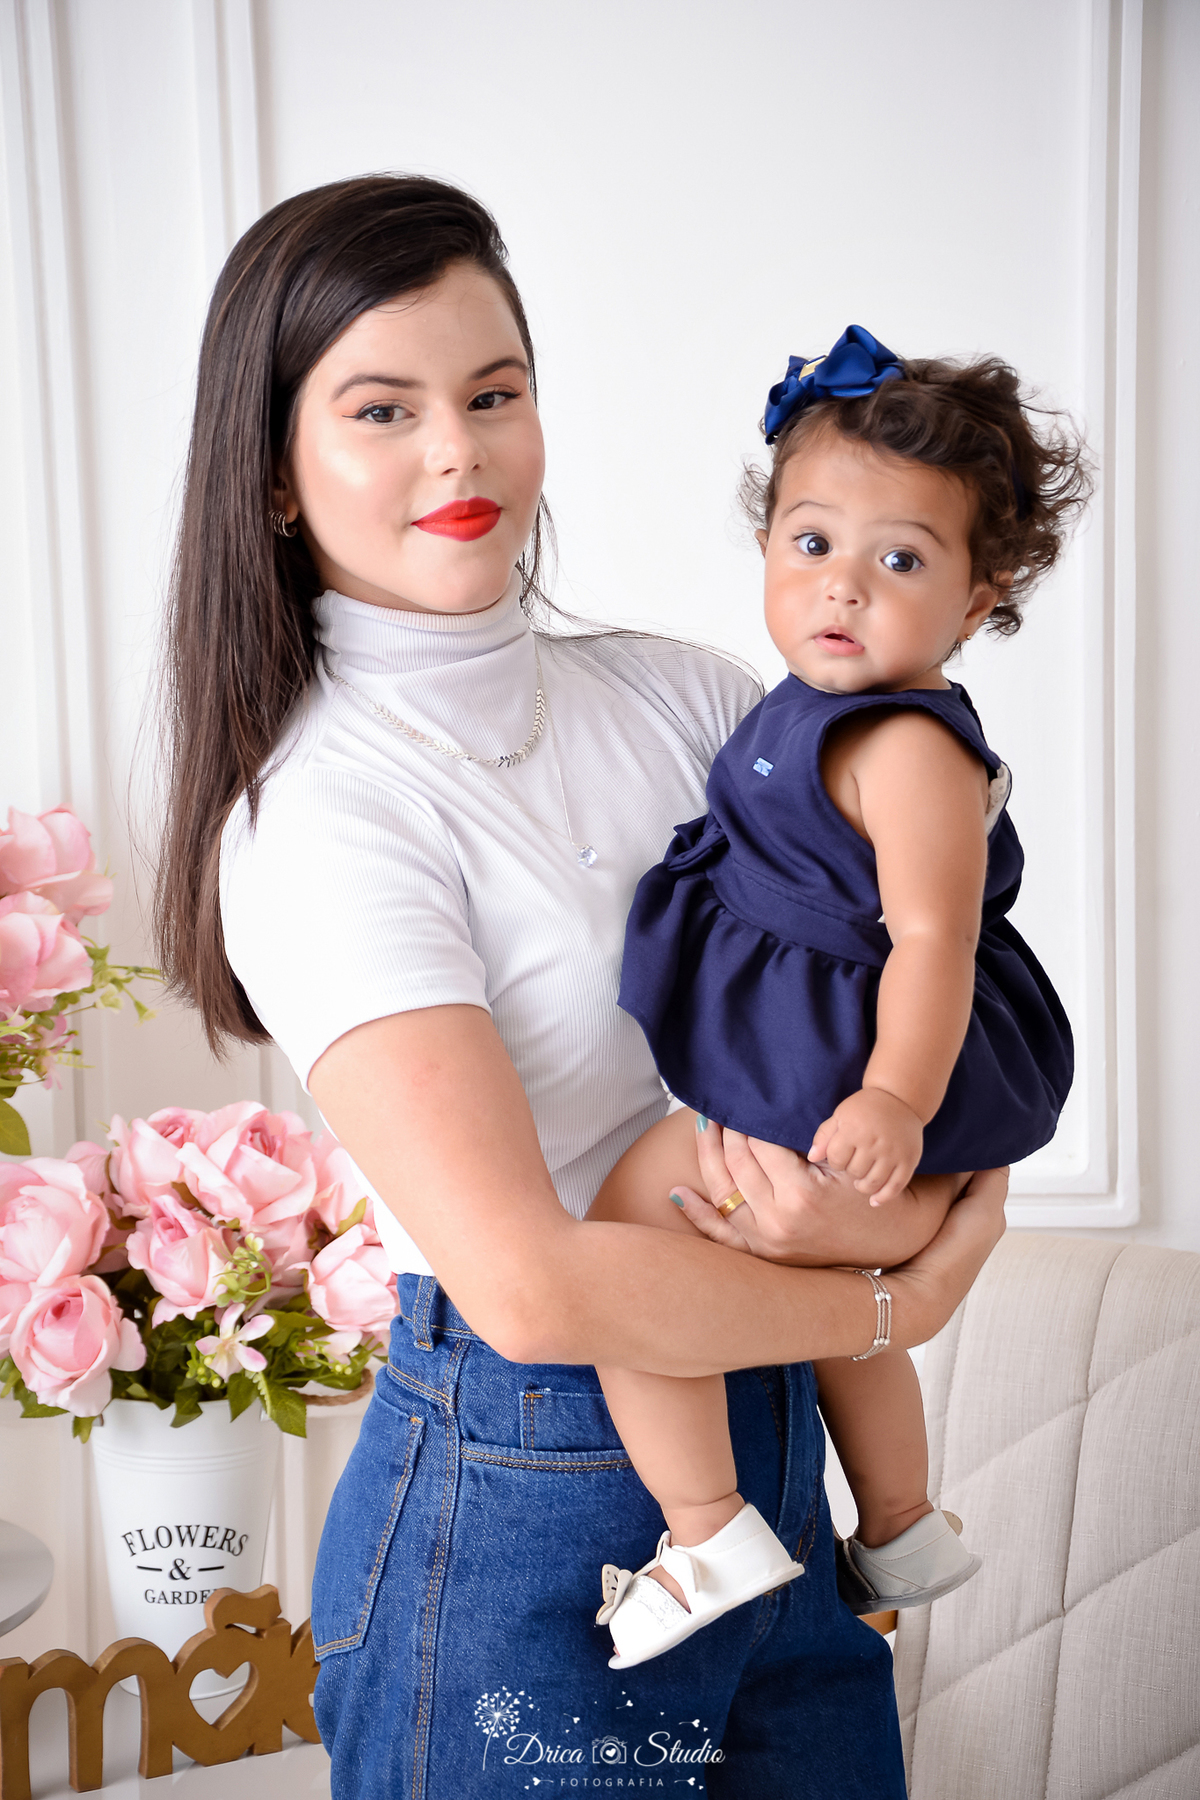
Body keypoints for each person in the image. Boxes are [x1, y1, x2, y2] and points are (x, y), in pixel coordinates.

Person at [155, 178, 1009, 1799]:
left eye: (494, 395)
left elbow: (926, 982)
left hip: (775, 1458)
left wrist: (913, 1196)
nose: (459, 455)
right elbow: (534, 1287)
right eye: (383, 411)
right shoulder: (323, 813)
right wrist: (895, 1301)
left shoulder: (699, 701)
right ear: (270, 472)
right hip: (522, 1491)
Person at [589, 326, 1088, 1670]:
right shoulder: (800, 700)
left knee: (626, 1238)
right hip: (809, 1046)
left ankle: (706, 1531)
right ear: (766, 546)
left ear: (978, 599)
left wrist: (895, 1098)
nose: (844, 586)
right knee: (842, 1293)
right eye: (812, 543)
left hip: (846, 1064)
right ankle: (902, 1522)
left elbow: (936, 940)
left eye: (902, 561)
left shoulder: (910, 743)